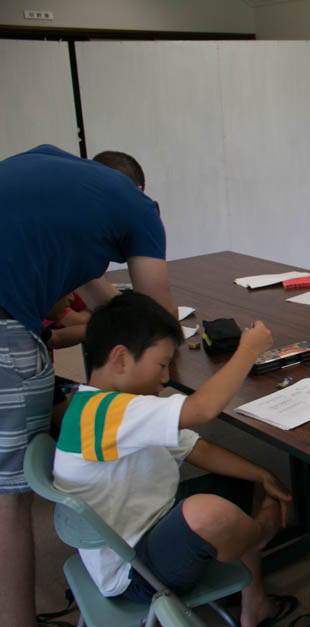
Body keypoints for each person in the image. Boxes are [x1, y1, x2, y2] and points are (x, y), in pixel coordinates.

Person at [0, 144, 176, 626]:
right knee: (8, 498)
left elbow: (97, 298)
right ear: (140, 192)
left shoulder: (50, 165)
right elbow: (156, 318)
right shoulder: (138, 208)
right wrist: (172, 374)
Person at [53, 293, 299, 627]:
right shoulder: (106, 412)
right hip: (134, 571)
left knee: (245, 481)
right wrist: (248, 350)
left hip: (150, 523)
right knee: (209, 513)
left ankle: (253, 602)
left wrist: (262, 473)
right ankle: (261, 532)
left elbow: (196, 449)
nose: (167, 377)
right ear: (120, 359)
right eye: (161, 364)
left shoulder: (108, 408)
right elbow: (202, 410)